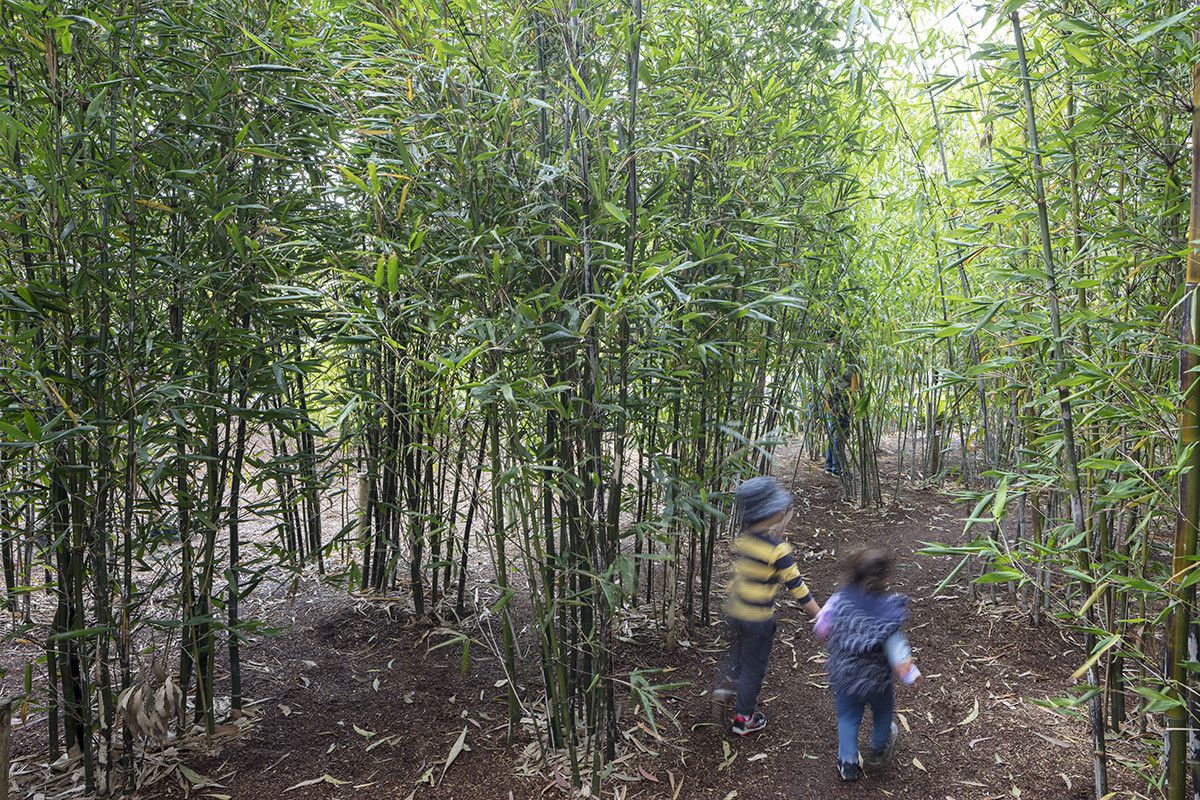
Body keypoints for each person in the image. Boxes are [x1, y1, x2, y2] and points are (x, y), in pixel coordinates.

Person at [712, 476, 822, 735]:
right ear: (769, 512)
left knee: (737, 656)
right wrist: (819, 614)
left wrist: (772, 537)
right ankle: (744, 719)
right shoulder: (778, 550)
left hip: (736, 610)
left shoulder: (743, 540)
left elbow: (754, 564)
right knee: (754, 667)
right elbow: (798, 587)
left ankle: (726, 688)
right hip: (759, 619)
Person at [815, 547, 917, 782]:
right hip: (876, 680)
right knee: (883, 712)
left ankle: (848, 764)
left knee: (848, 718)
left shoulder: (839, 600)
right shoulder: (888, 609)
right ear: (884, 578)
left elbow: (821, 627)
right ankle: (878, 749)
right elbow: (896, 648)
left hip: (846, 677)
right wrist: (909, 673)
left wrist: (830, 633)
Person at [823, 367, 857, 476]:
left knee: (833, 437)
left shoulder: (833, 383)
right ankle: (837, 468)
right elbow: (850, 403)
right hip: (841, 413)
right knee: (840, 439)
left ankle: (829, 466)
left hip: (833, 412)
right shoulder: (844, 386)